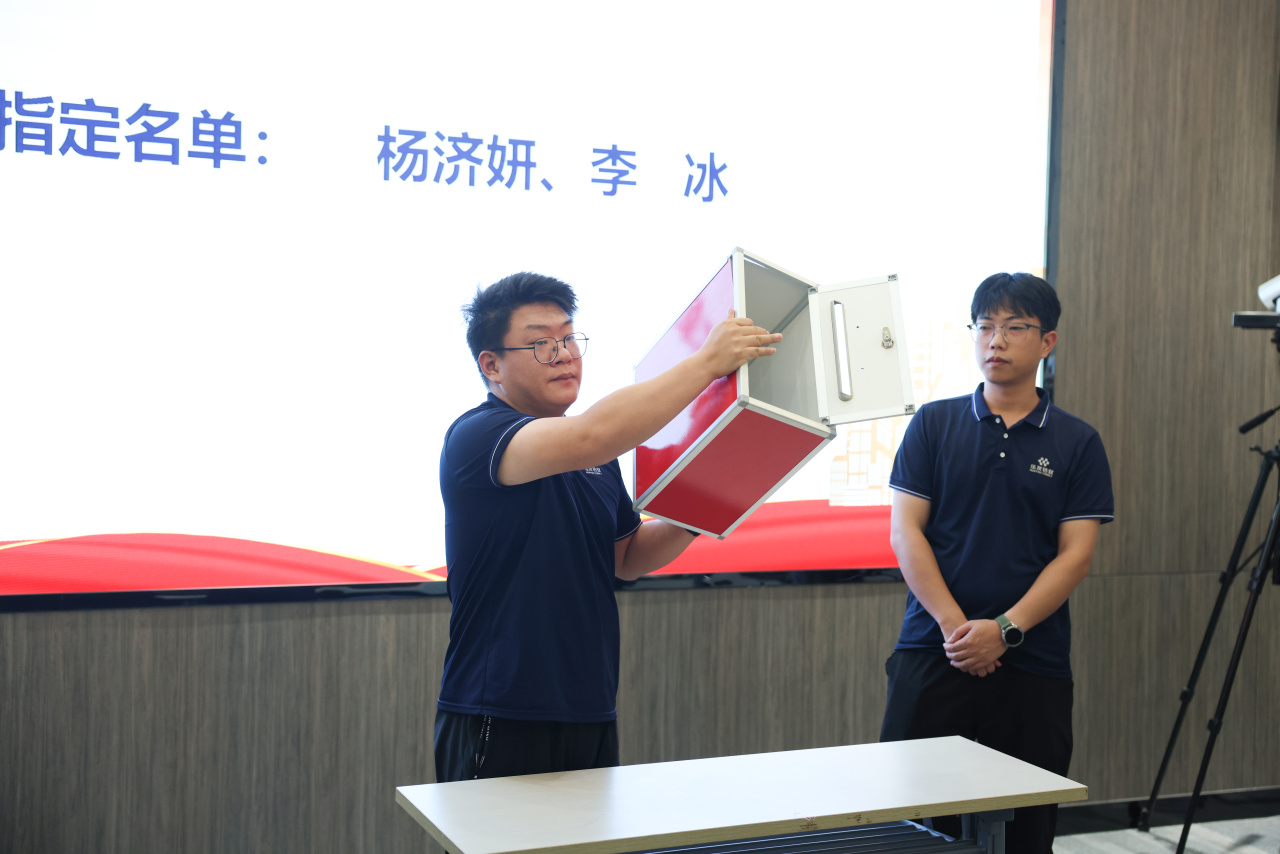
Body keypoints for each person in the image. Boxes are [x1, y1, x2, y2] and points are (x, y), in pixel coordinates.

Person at [434, 271, 781, 783]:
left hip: (589, 705)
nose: (564, 355)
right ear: (491, 365)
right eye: (541, 344)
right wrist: (708, 362)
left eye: (569, 338)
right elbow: (592, 435)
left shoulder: (596, 458)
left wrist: (712, 496)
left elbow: (629, 557)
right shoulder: (478, 436)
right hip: (500, 710)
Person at [880, 272, 1114, 854]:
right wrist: (957, 629)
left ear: (1048, 341)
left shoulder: (1078, 442)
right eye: (985, 326)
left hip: (1032, 660)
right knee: (912, 827)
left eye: (1014, 327)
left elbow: (1075, 555)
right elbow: (906, 533)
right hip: (934, 650)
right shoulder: (934, 423)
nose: (996, 340)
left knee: (1025, 831)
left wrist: (1005, 630)